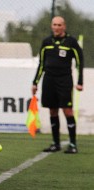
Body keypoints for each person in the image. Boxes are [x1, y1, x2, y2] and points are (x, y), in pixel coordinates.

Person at [32, 16, 84, 154]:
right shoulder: (46, 42)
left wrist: (80, 82)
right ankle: (56, 143)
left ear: (64, 26)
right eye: (54, 24)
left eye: (59, 25)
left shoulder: (71, 42)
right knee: (52, 110)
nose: (56, 27)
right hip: (49, 80)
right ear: (51, 26)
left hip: (64, 80)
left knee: (67, 111)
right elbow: (41, 64)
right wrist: (35, 82)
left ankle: (73, 144)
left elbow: (80, 62)